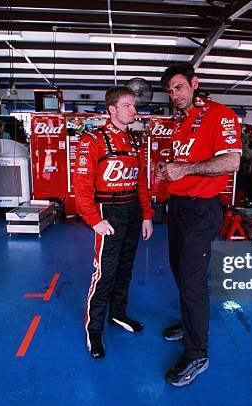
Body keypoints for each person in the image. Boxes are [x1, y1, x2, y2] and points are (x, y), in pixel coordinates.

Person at [156, 62, 241, 386]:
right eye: (170, 91)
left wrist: (187, 169)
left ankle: (197, 353)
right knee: (180, 271)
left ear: (194, 83)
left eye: (178, 87)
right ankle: (191, 323)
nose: (174, 95)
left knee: (192, 280)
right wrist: (169, 169)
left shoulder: (220, 114)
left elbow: (232, 161)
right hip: (178, 207)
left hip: (201, 210)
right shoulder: (181, 122)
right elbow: (186, 163)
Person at [73, 86, 153, 359]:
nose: (134, 109)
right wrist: (94, 220)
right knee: (104, 273)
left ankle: (118, 314)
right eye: (128, 105)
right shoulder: (92, 140)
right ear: (112, 110)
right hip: (108, 210)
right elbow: (81, 187)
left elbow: (141, 181)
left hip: (131, 209)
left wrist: (146, 215)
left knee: (125, 269)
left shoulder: (134, 141)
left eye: (134, 105)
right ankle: (93, 329)